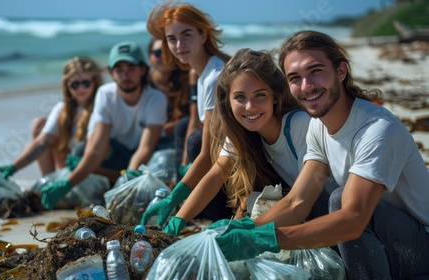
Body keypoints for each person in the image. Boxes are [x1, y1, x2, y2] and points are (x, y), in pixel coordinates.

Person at [210, 30, 429, 279]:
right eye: (295, 78)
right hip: (383, 242)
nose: (306, 86)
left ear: (341, 71)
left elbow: (354, 219)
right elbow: (298, 201)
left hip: (420, 248)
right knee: (324, 202)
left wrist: (266, 240)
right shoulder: (318, 126)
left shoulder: (377, 129)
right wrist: (247, 228)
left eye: (316, 71)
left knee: (338, 201)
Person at [158, 48, 338, 236]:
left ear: (274, 96)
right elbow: (216, 175)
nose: (250, 107)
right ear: (228, 101)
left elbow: (299, 202)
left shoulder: (299, 125)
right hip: (302, 216)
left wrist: (245, 229)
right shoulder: (241, 133)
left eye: (260, 95)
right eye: (240, 97)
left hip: (333, 218)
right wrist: (179, 217)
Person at [40, 41, 168, 210]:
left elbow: (145, 148)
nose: (125, 75)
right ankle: (113, 181)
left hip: (146, 157)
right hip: (117, 154)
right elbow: (96, 149)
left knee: (166, 158)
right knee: (81, 152)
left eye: (131, 68)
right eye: (119, 70)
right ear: (111, 73)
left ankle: (123, 182)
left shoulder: (156, 98)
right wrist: (67, 184)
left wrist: (129, 176)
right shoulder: (105, 94)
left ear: (143, 70)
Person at [141, 2, 233, 225]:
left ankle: (220, 213)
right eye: (172, 39)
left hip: (242, 169)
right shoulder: (200, 71)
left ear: (203, 34)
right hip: (228, 162)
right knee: (187, 130)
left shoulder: (214, 76)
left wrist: (175, 197)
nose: (179, 45)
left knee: (194, 142)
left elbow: (209, 154)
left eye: (186, 35)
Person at [0, 57, 103, 178]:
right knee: (40, 125)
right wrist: (14, 167)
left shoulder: (102, 108)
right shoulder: (62, 110)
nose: (81, 88)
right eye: (75, 84)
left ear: (95, 82)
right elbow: (42, 141)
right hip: (68, 167)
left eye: (86, 83)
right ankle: (48, 180)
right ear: (67, 86)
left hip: (94, 169)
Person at [147, 37, 201, 175]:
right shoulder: (144, 83)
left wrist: (161, 128)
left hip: (177, 138)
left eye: (168, 52)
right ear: (150, 57)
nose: (164, 57)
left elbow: (193, 118)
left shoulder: (186, 79)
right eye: (159, 53)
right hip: (148, 137)